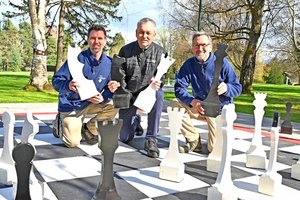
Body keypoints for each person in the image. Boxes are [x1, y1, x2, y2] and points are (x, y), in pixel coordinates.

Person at [172, 31, 242, 153]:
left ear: (210, 47)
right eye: (196, 45)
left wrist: (227, 88)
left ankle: (223, 136)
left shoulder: (223, 64)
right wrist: (192, 101)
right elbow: (179, 88)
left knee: (213, 149)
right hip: (200, 106)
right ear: (192, 48)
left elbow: (238, 88)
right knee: (175, 104)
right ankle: (193, 139)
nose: (200, 49)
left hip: (218, 109)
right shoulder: (189, 64)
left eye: (204, 45)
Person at [52, 24, 119, 148]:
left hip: (93, 104)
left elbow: (110, 89)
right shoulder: (76, 59)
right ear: (88, 40)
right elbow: (56, 81)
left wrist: (108, 93)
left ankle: (88, 128)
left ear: (105, 41)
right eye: (93, 38)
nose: (96, 42)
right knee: (72, 143)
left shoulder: (110, 63)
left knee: (115, 105)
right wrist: (68, 85)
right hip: (73, 104)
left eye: (100, 38)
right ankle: (59, 123)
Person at [108, 18, 166, 158]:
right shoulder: (125, 50)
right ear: (136, 33)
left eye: (148, 33)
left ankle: (151, 139)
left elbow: (162, 76)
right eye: (141, 32)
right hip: (129, 94)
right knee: (125, 138)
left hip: (148, 93)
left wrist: (159, 83)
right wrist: (117, 85)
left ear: (154, 34)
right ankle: (135, 122)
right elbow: (118, 74)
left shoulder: (161, 52)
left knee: (159, 94)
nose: (144, 36)